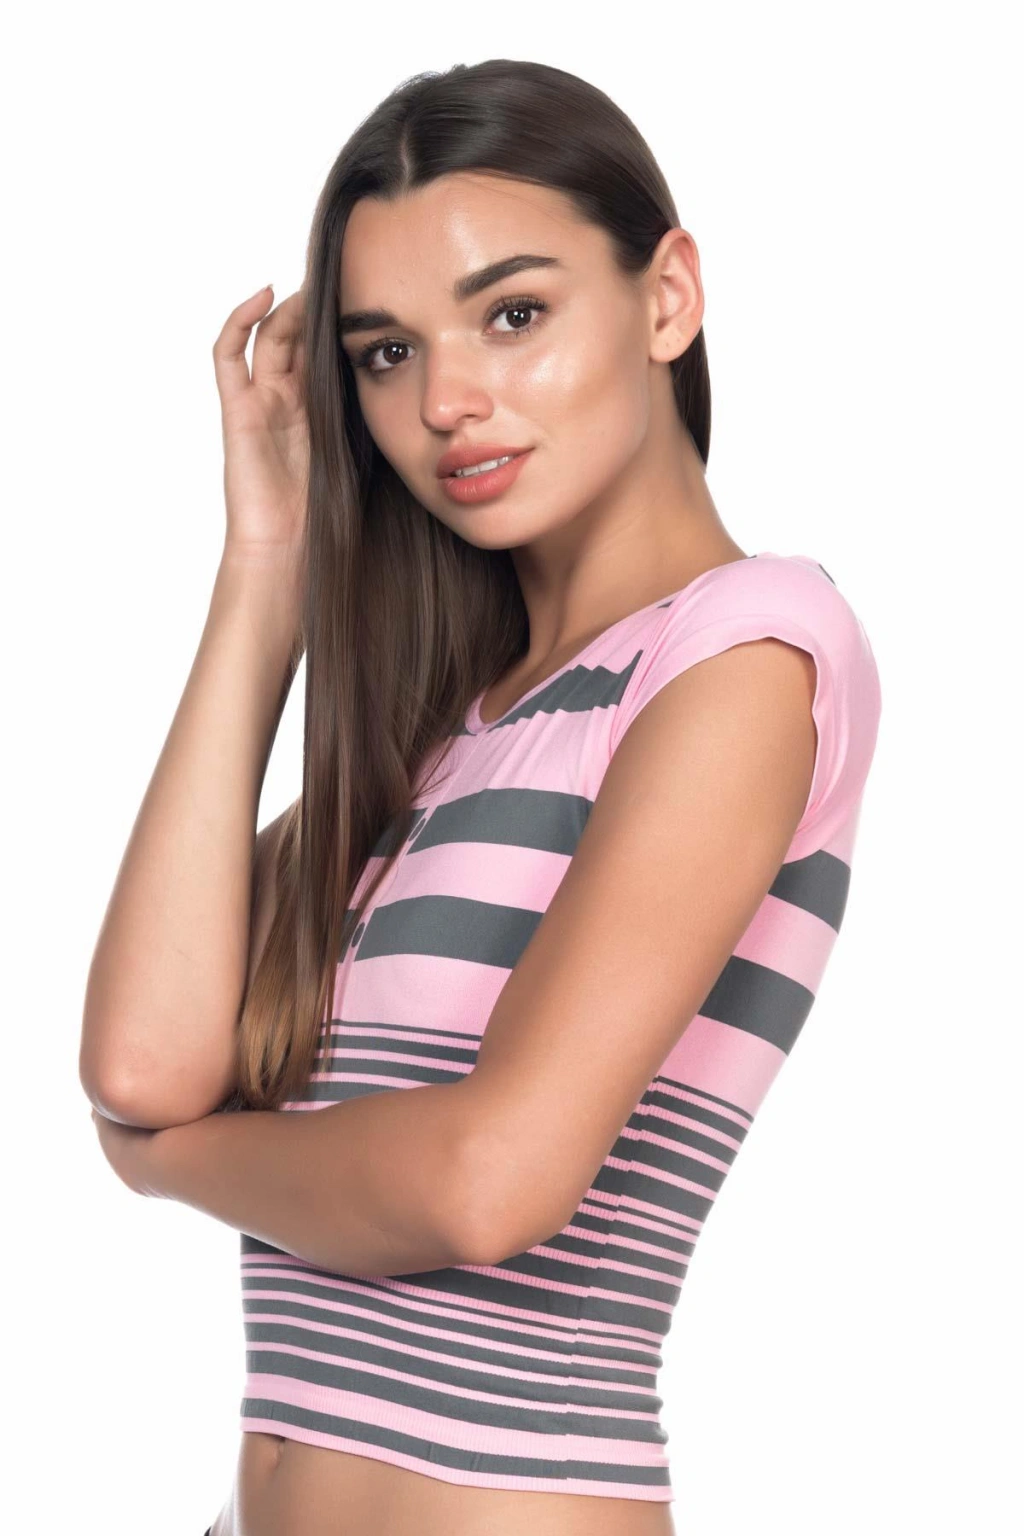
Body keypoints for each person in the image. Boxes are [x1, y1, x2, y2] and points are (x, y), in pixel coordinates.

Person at [82, 58, 882, 1536]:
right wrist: (264, 570)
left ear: (667, 298)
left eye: (513, 315)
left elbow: (491, 1182)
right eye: (387, 353)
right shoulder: (452, 729)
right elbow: (141, 1061)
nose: (448, 402)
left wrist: (175, 1169)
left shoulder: (747, 650)